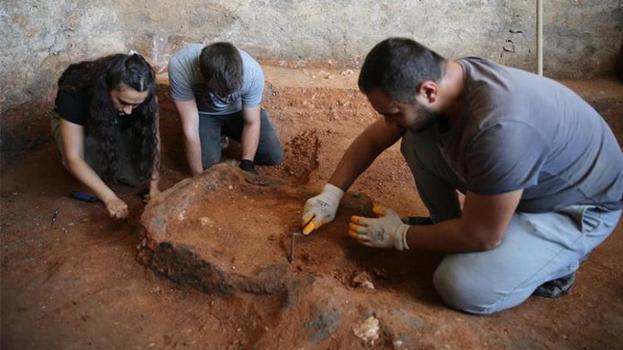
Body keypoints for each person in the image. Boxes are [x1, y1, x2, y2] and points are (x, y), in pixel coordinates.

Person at [301, 37, 623, 314]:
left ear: (428, 91)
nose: (388, 123)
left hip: (575, 207)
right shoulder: (452, 79)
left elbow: (483, 236)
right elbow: (374, 138)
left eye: (392, 113)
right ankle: (448, 229)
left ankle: (560, 264)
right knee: (416, 139)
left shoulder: (499, 128)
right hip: (526, 179)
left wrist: (401, 236)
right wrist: (331, 193)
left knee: (460, 284)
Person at [51, 53, 161, 219]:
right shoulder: (75, 92)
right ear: (107, 88)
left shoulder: (146, 94)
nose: (129, 110)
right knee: (87, 166)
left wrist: (154, 185)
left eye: (137, 104)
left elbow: (153, 138)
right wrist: (110, 198)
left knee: (137, 177)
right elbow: (74, 157)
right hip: (85, 125)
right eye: (123, 102)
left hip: (114, 125)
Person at [168, 42, 283, 175]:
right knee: (206, 165)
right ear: (203, 75)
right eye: (221, 91)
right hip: (204, 114)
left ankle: (225, 134)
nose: (227, 96)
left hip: (239, 112)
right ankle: (217, 135)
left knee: (272, 156)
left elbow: (251, 122)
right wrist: (198, 179)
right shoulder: (181, 66)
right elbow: (190, 129)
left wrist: (247, 163)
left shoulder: (252, 72)